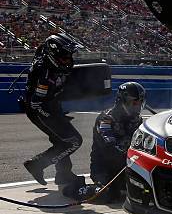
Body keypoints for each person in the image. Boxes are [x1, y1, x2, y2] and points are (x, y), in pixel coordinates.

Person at [23, 33, 82, 186]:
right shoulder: (44, 72)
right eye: (64, 57)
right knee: (73, 141)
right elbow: (37, 104)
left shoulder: (50, 61)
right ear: (53, 55)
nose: (68, 60)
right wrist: (54, 118)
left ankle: (64, 175)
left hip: (49, 106)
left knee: (61, 141)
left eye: (69, 56)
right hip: (39, 109)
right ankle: (36, 164)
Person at [90, 82, 145, 201]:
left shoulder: (137, 120)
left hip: (127, 167)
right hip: (104, 168)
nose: (137, 107)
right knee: (108, 194)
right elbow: (109, 151)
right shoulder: (106, 119)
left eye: (140, 103)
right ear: (122, 101)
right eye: (134, 103)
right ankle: (75, 188)